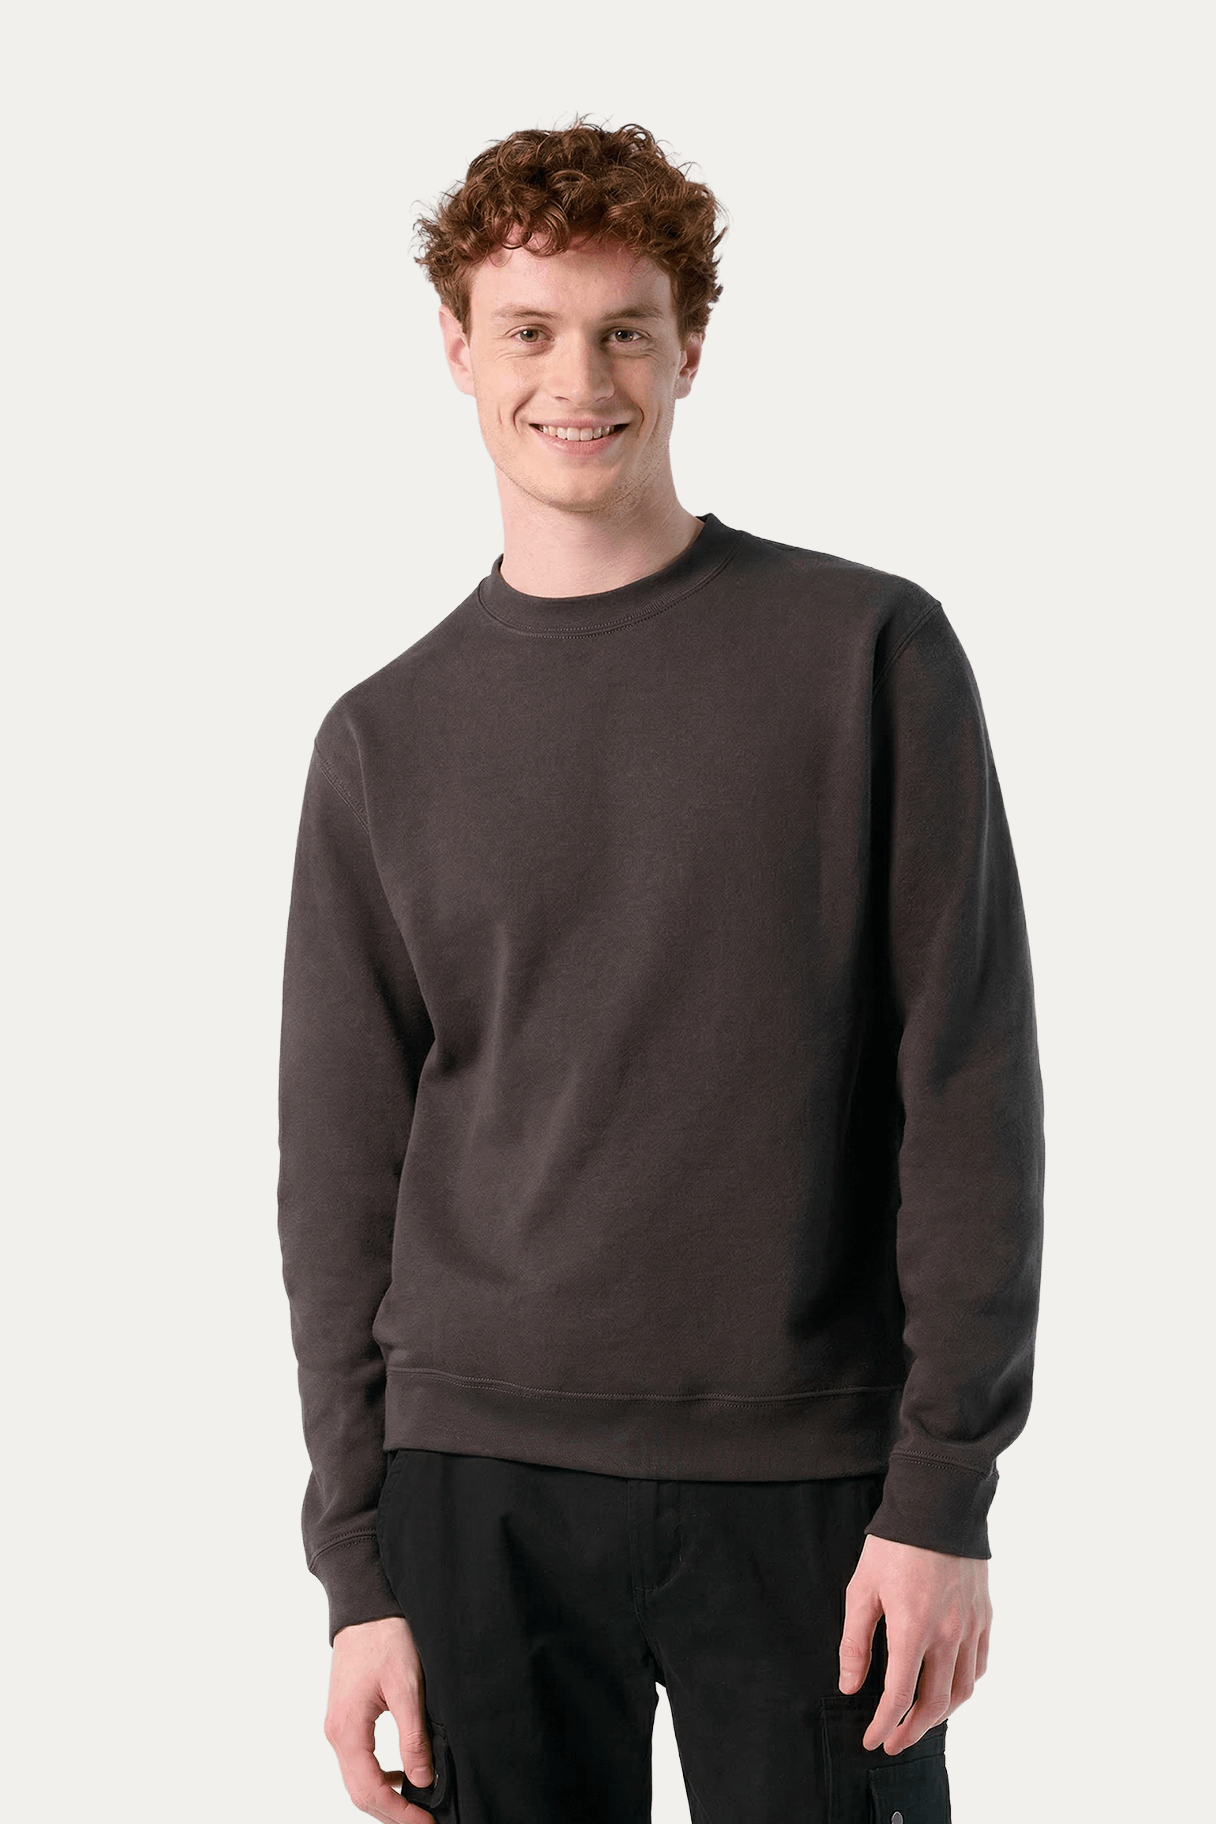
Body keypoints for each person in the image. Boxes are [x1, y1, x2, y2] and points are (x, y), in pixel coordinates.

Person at [276, 117, 1045, 1824]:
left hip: (813, 1477)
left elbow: (968, 1083)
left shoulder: (868, 652)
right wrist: (357, 1570)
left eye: (625, 329)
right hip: (474, 1487)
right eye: (531, 330)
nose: (579, 379)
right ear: (459, 350)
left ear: (691, 348)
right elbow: (337, 1181)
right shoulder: (383, 739)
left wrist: (943, 1493)